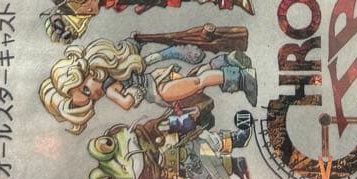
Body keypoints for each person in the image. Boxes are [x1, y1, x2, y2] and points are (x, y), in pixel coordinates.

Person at [39, 35, 257, 134]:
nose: (93, 96)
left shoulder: (110, 87)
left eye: (86, 89)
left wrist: (133, 94)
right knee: (196, 81)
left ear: (86, 72)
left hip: (161, 91)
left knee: (198, 82)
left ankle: (239, 77)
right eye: (89, 98)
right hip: (158, 80)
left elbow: (125, 103)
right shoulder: (115, 74)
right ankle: (225, 61)